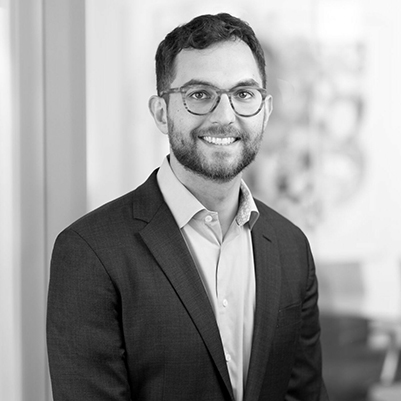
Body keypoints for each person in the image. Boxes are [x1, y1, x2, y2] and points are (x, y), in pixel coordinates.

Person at [47, 13, 329, 401]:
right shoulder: (90, 252)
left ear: (265, 110)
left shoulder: (291, 247)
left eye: (243, 94)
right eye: (199, 95)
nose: (225, 116)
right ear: (162, 113)